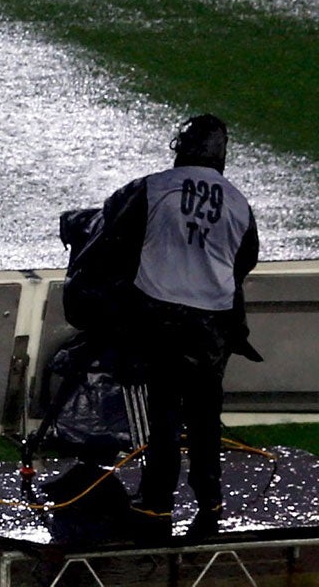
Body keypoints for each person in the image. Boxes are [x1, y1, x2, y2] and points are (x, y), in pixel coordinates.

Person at [94, 114, 261, 539]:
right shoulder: (238, 201)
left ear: (180, 147)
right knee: (206, 414)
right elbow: (244, 262)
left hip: (161, 314)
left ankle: (157, 502)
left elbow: (111, 238)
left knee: (164, 411)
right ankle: (210, 498)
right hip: (213, 321)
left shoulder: (152, 187)